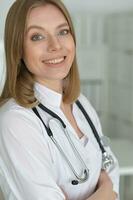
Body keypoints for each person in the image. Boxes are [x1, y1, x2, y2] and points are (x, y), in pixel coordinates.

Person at [0, 0, 119, 199]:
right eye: (37, 36)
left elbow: (113, 172)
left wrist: (109, 186)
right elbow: (110, 185)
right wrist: (105, 189)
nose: (55, 46)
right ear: (18, 49)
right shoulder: (15, 122)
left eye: (63, 32)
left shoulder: (80, 103)